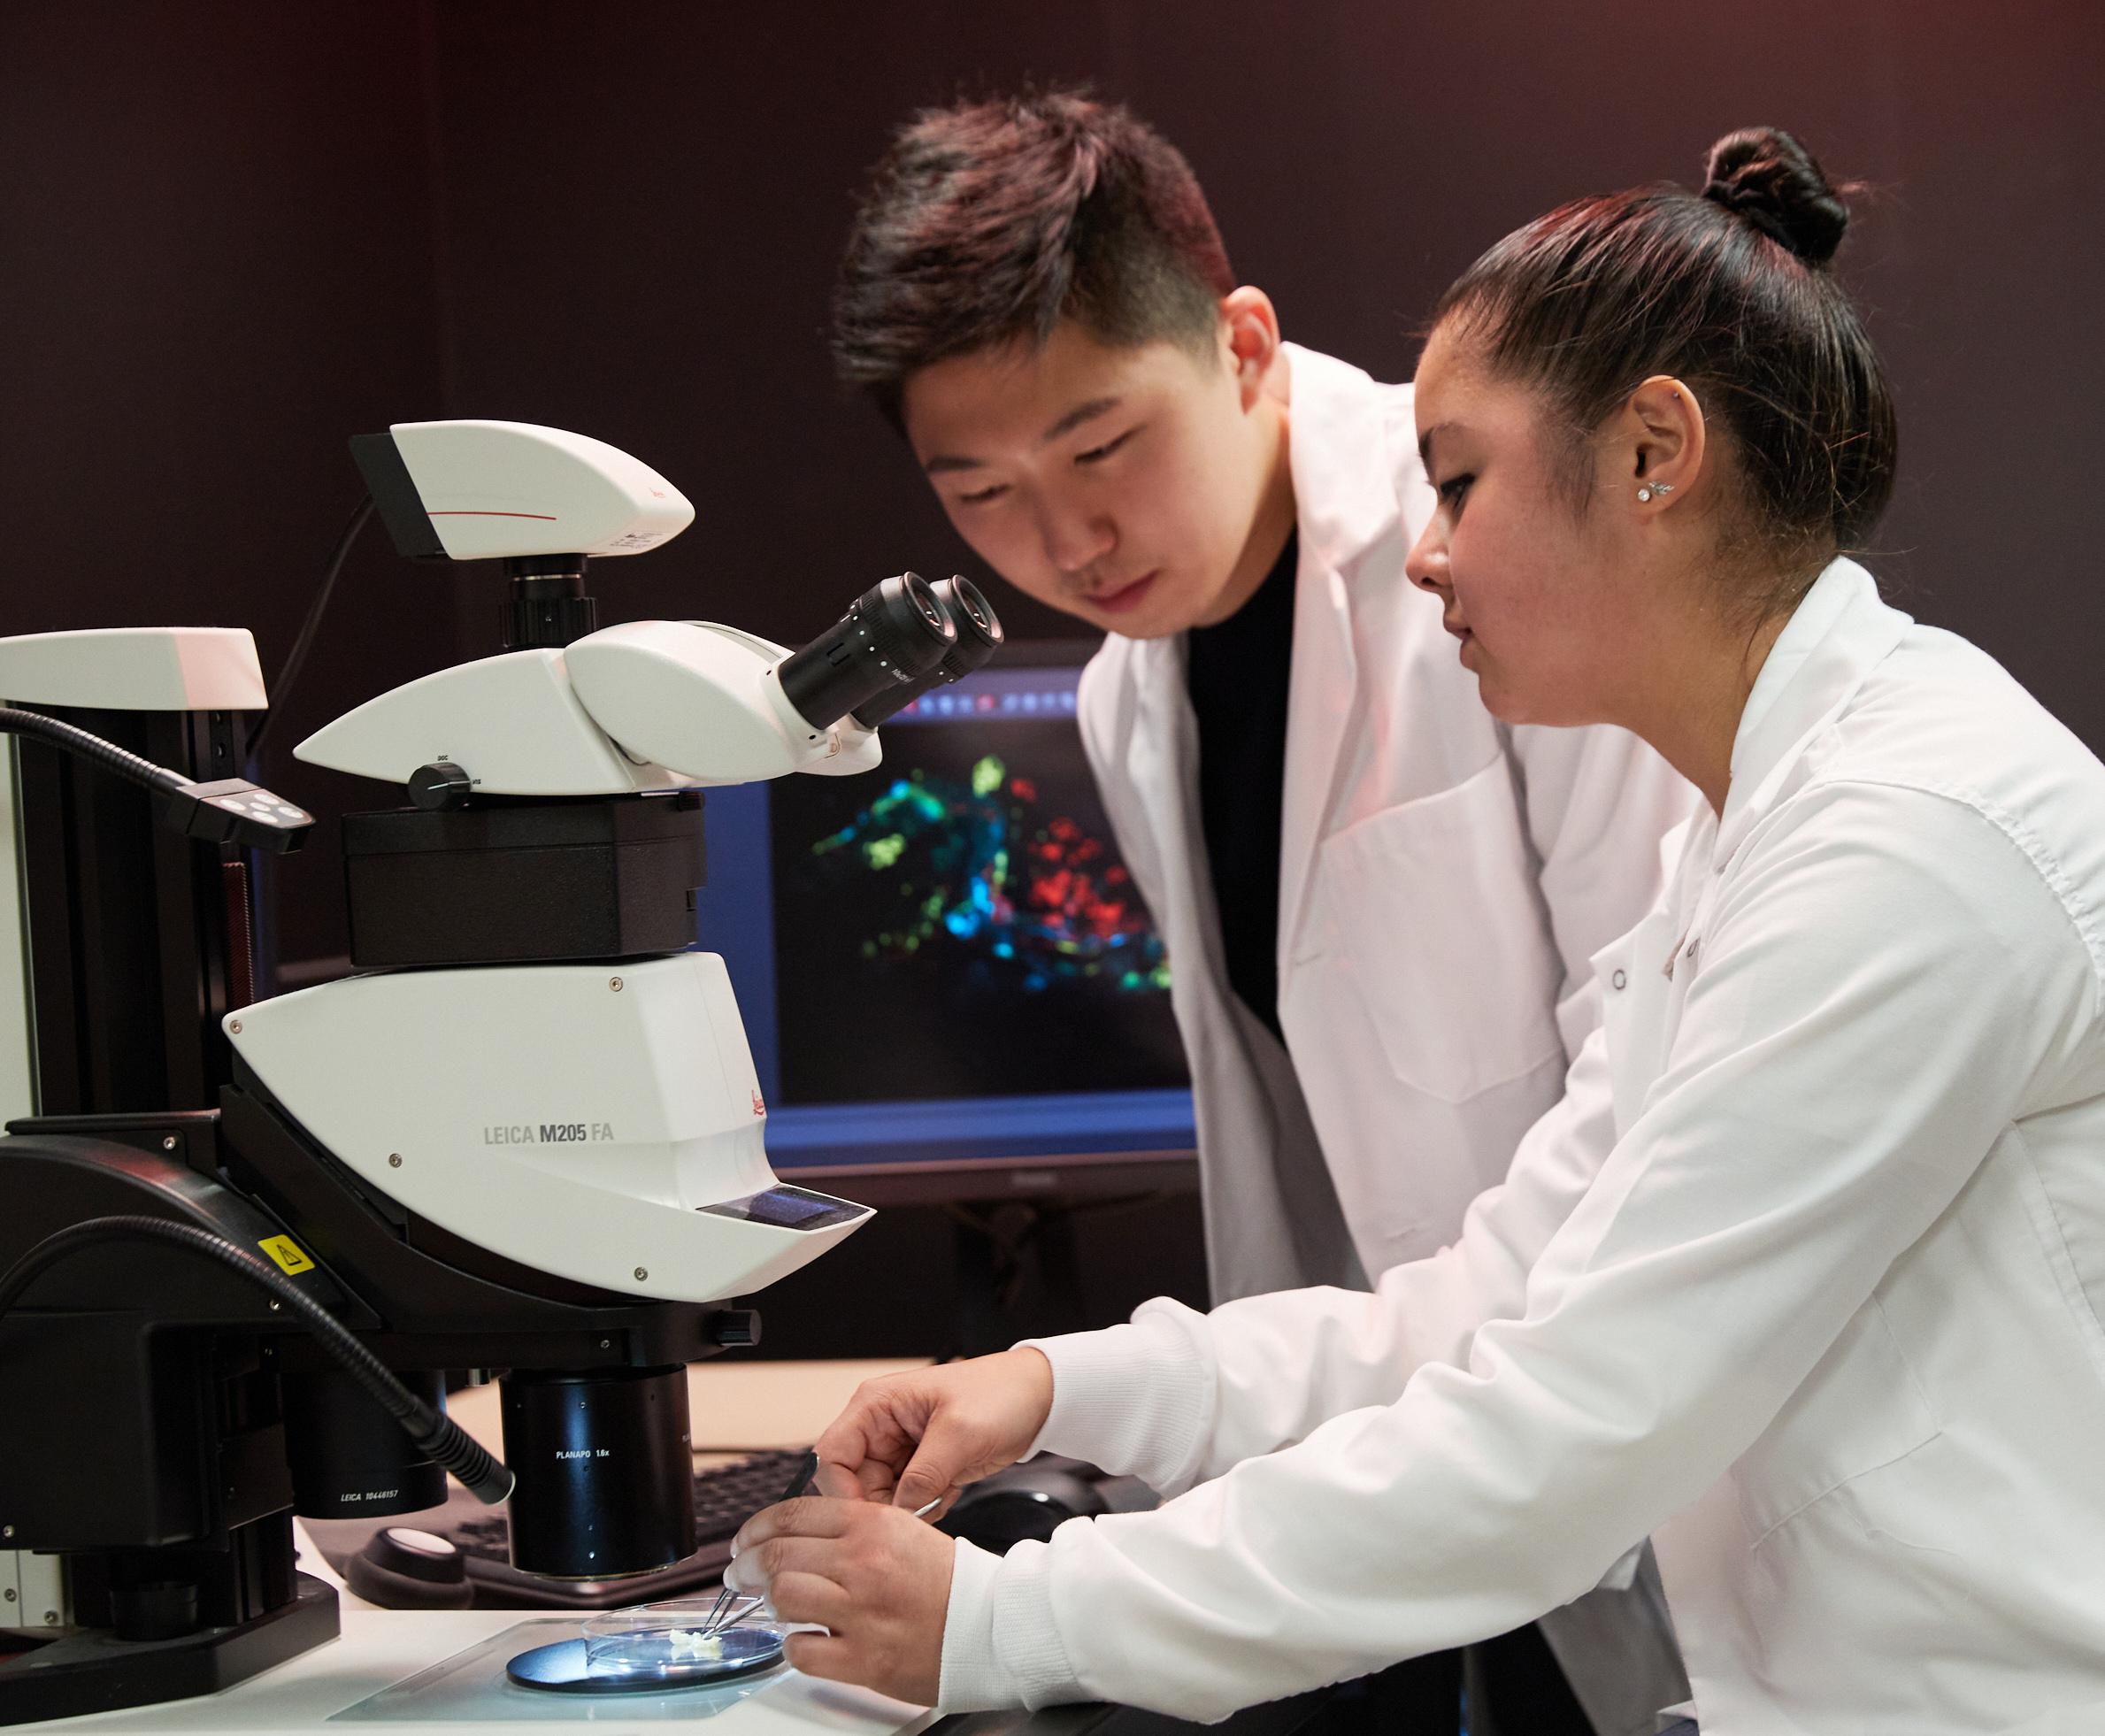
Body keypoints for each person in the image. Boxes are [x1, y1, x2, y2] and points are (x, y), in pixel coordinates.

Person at [729, 126, 2105, 1733]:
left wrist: (1012, 1617)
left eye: (1456, 480)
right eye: (983, 491)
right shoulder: (1762, 838)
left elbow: (1574, 1412)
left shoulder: (1900, 849)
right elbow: (1492, 1293)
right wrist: (1065, 1384)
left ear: (1656, 452)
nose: (1428, 543)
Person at [824, 91, 1696, 1733]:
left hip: (1614, 1425)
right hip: (1395, 1447)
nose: (1066, 537)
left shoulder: (1507, 572)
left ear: (1240, 344)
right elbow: (1300, 1164)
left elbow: (1640, 1137)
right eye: (980, 491)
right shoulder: (1121, 698)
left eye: (1099, 445)